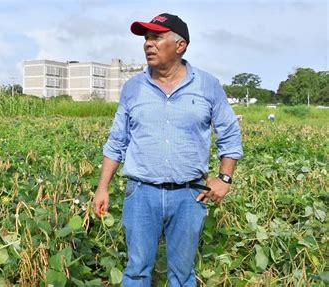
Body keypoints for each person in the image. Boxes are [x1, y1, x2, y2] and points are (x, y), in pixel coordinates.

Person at [93, 13, 243, 286]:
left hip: (189, 195)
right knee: (136, 270)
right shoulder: (133, 88)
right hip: (141, 193)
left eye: (156, 38)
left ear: (180, 45)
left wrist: (224, 179)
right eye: (146, 39)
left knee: (182, 274)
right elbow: (117, 141)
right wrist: (102, 187)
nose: (148, 44)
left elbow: (229, 134)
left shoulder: (207, 85)